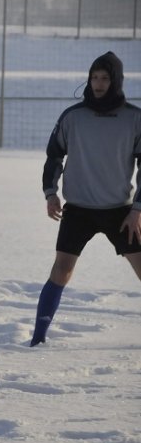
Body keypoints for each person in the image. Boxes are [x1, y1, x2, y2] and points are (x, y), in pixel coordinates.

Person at [30, 51, 141, 347]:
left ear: (115, 81)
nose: (98, 84)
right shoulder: (73, 116)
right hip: (78, 210)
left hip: (121, 212)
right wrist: (51, 193)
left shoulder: (134, 118)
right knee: (61, 270)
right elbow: (54, 155)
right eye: (94, 78)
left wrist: (137, 210)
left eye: (105, 78)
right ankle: (37, 339)